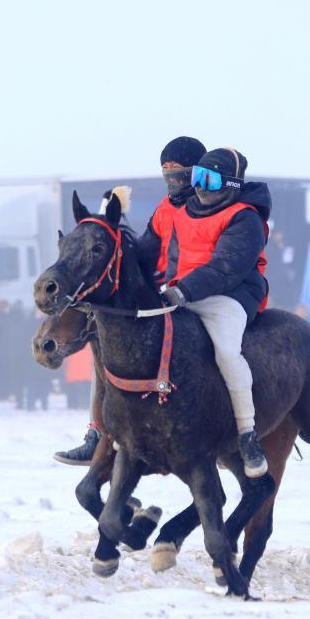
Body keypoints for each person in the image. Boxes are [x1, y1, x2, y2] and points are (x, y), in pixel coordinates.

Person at [54, 135, 208, 465]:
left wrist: (182, 286)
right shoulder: (164, 210)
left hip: (198, 294)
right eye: (166, 171)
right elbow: (146, 252)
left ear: (196, 173)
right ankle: (98, 432)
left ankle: (239, 430)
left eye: (178, 171)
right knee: (105, 344)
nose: (171, 179)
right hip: (161, 294)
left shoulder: (209, 205)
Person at [160, 147, 271, 477]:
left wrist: (184, 290)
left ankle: (248, 434)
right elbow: (174, 261)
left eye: (208, 179)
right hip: (184, 293)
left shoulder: (245, 217)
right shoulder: (184, 213)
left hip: (230, 296)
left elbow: (227, 266)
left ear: (231, 184)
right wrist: (168, 288)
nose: (200, 186)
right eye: (198, 177)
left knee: (226, 352)